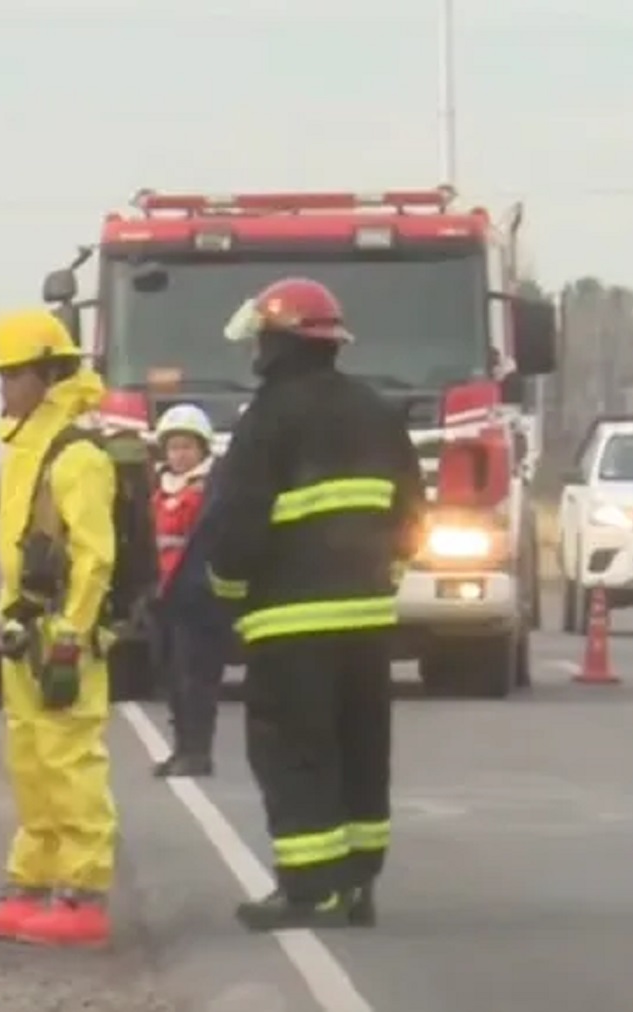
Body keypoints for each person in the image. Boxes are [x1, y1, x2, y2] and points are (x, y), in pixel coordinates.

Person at [206, 277, 427, 932]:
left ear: (276, 345)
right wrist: (384, 576)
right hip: (365, 622)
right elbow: (413, 513)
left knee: (295, 754)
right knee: (361, 747)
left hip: (288, 624)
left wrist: (228, 597)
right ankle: (357, 886)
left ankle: (308, 891)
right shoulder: (374, 411)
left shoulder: (270, 418)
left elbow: (237, 524)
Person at [0, 308, 119, 949]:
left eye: (13, 375)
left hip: (59, 633)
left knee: (69, 758)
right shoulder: (26, 447)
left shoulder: (75, 453)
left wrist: (72, 633)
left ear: (48, 374)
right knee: (31, 758)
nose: (3, 388)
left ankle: (81, 889)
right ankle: (35, 878)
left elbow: (96, 554)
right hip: (25, 631)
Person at [149, 403, 226, 778]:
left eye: (187, 447)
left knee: (196, 678)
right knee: (173, 678)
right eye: (174, 447)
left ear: (202, 450)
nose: (180, 455)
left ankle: (198, 752)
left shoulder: (210, 490)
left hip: (198, 598)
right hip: (167, 597)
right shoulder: (160, 490)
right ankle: (181, 748)